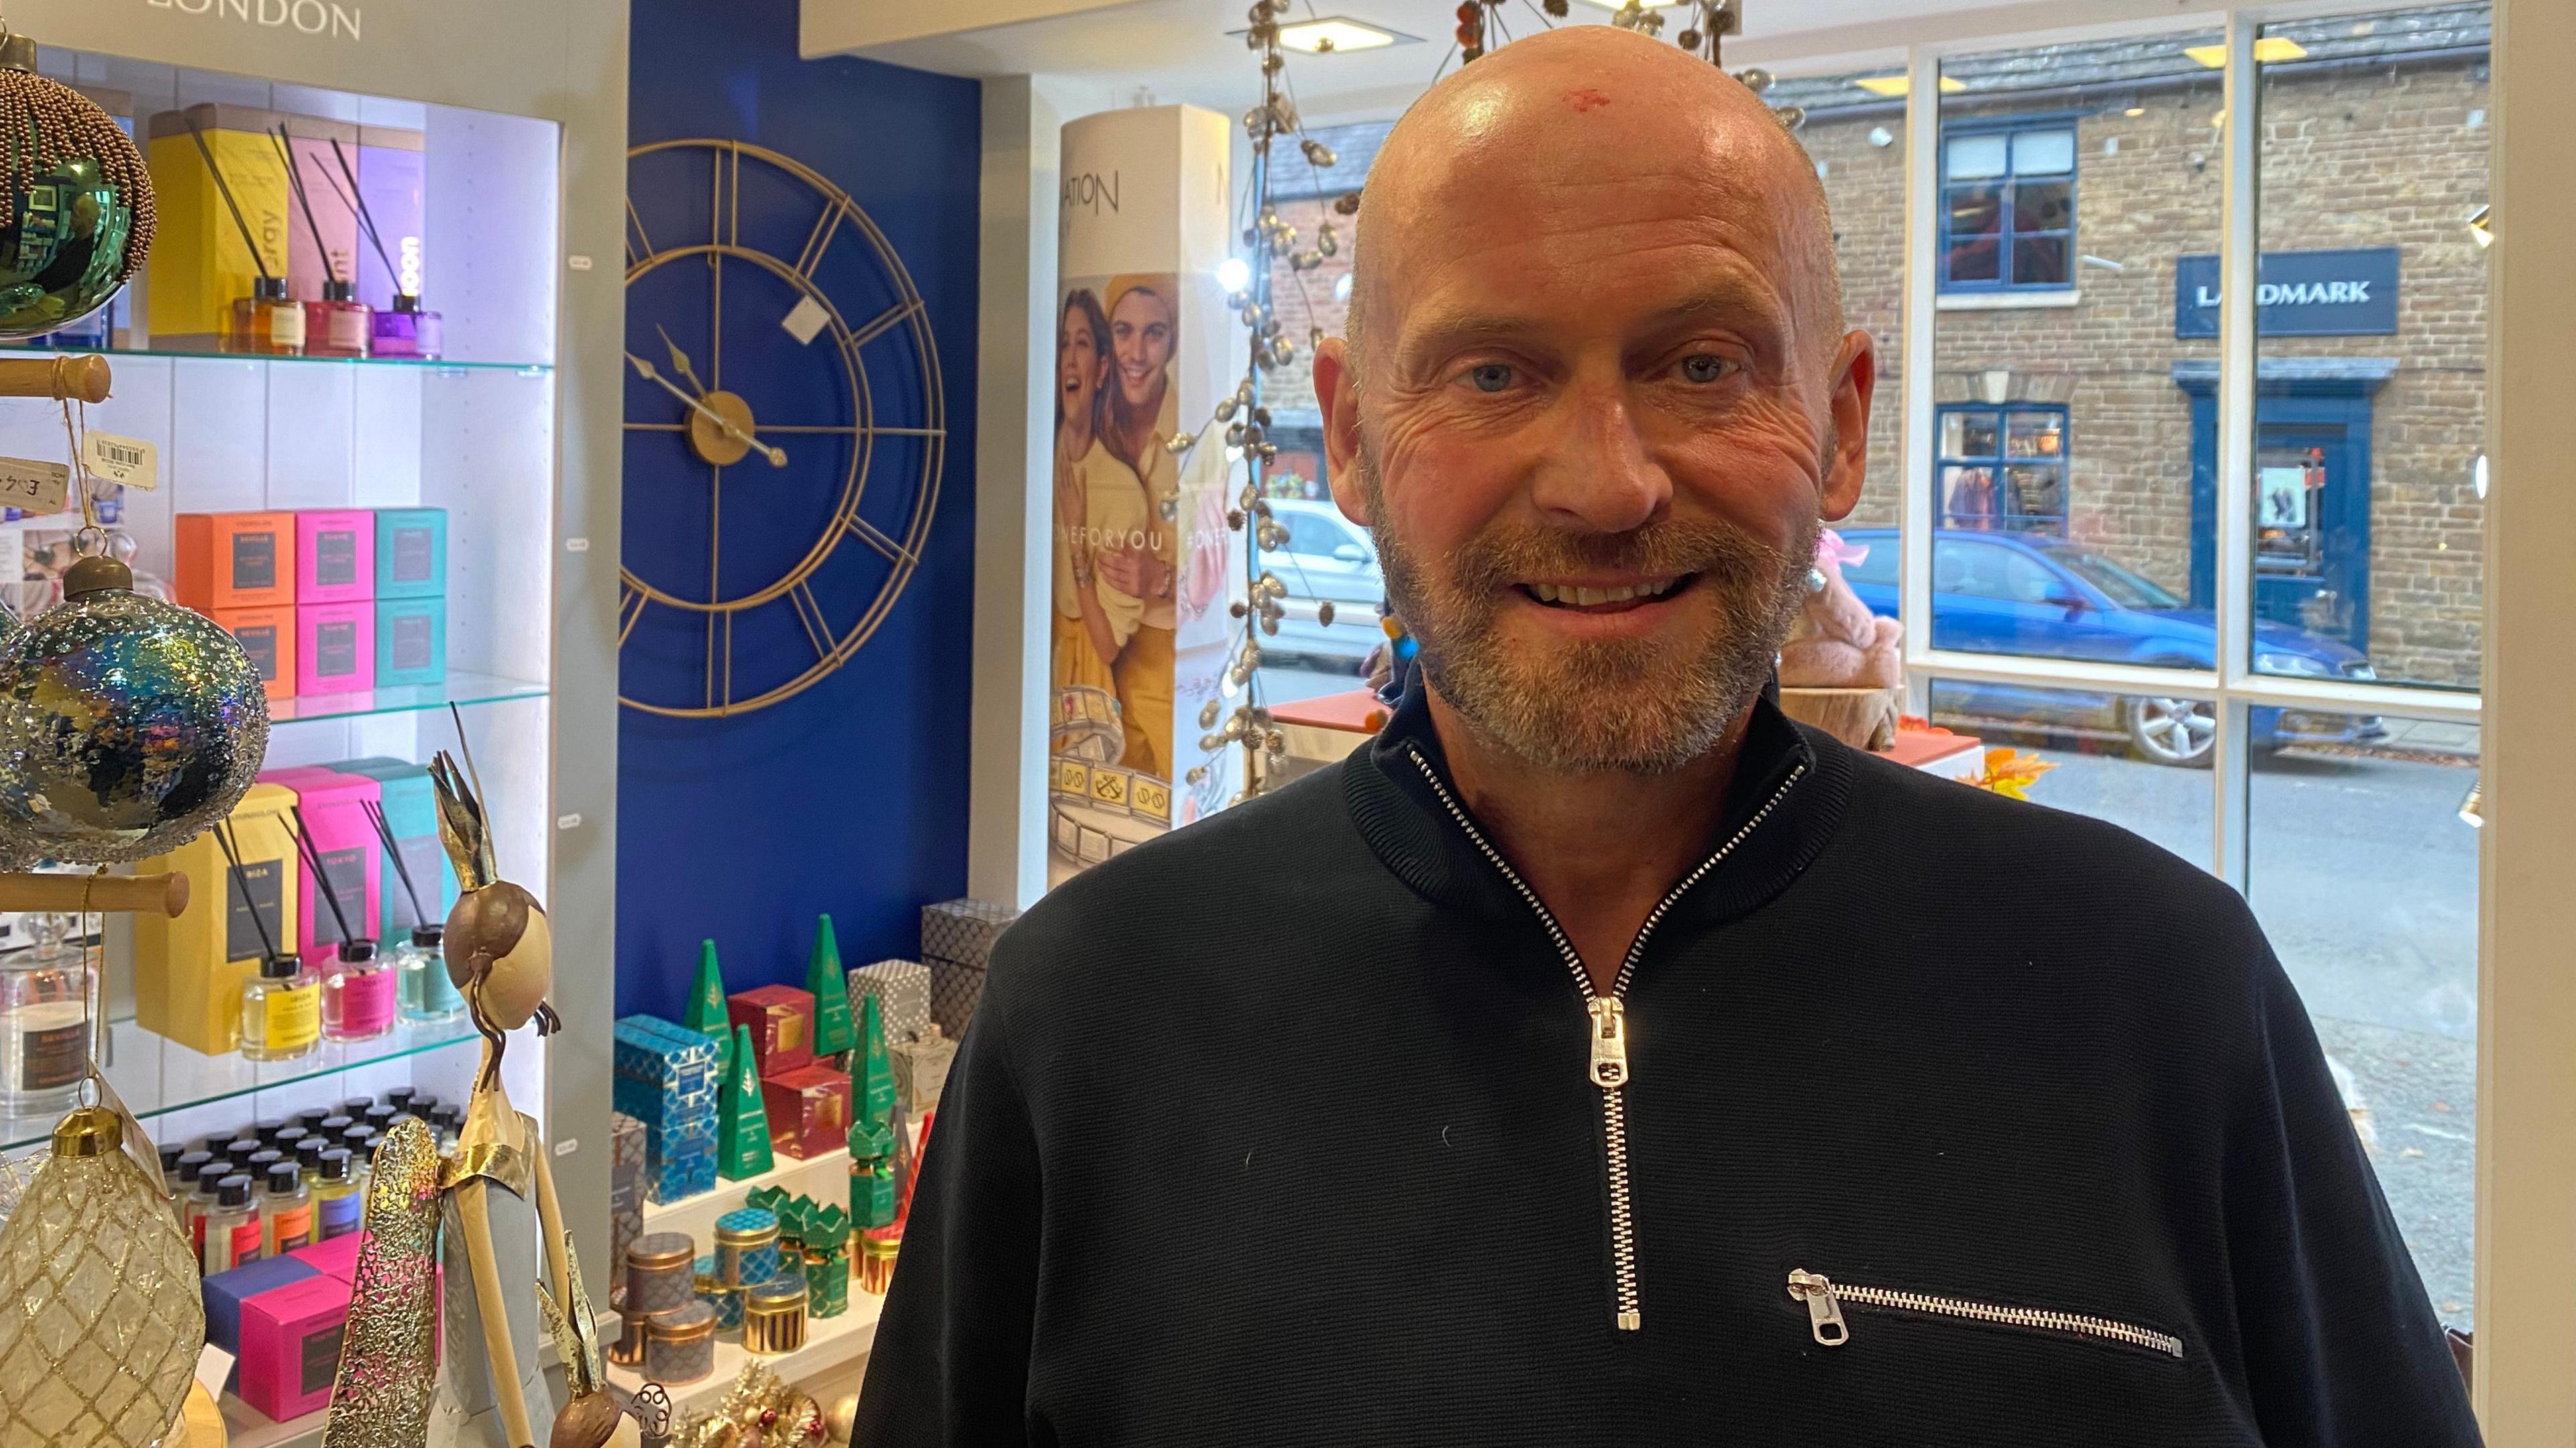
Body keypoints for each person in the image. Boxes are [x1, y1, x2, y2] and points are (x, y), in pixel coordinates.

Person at [861, 27, 2479, 1447]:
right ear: (1349, 440)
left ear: (1840, 422)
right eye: (1492, 373)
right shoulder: (1092, 1022)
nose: (1605, 481)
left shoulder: (2161, 997)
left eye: (1700, 365)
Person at [1097, 275, 1182, 778]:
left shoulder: (1198, 432)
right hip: (1096, 655)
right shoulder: (1088, 418)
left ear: (1172, 343)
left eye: (1154, 333)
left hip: (1169, 657)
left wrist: (1160, 580)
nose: (1136, 351)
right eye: (1123, 331)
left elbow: (1227, 575)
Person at [1050, 288, 1148, 718]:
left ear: (1103, 369)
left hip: (1087, 687)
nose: (1070, 359)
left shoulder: (1122, 487)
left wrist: (1075, 541)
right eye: (1063, 344)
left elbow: (1107, 647)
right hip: (1040, 663)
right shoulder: (1037, 463)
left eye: (1083, 344)